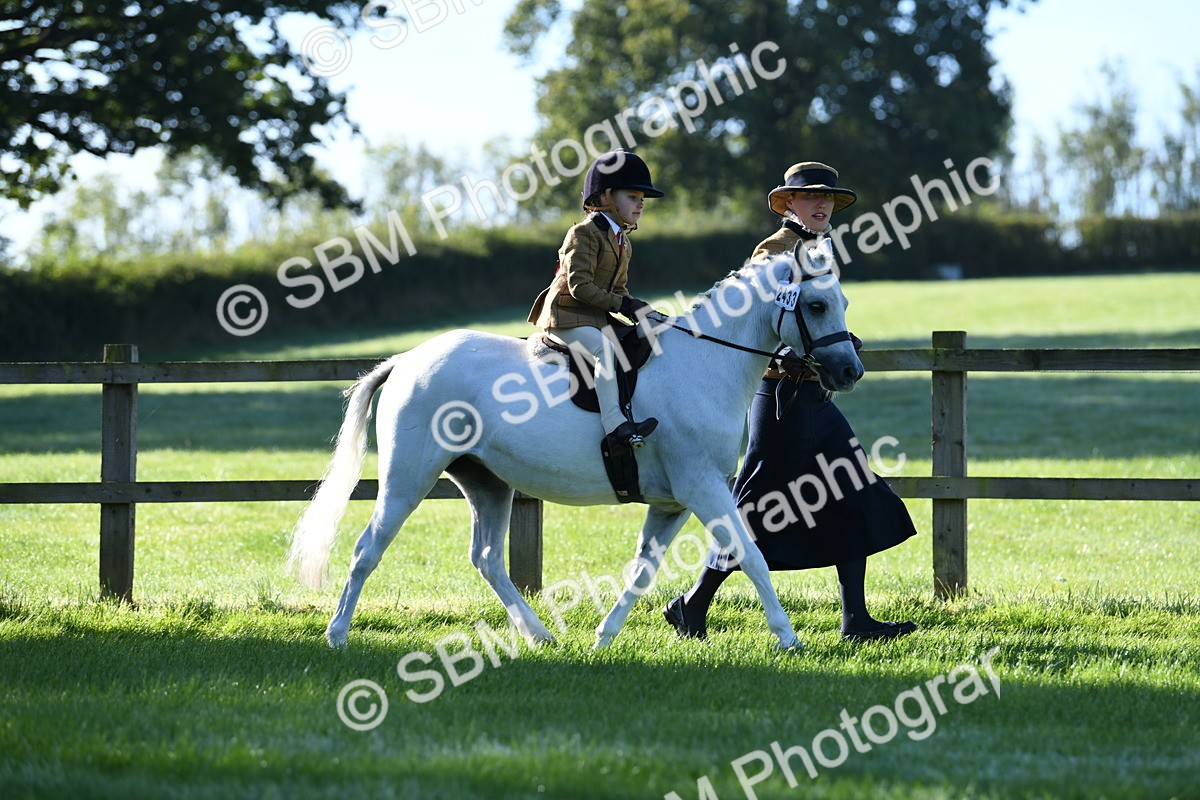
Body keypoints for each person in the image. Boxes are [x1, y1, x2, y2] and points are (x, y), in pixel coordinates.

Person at [663, 162, 919, 641]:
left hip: (813, 399)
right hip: (779, 400)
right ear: (788, 204)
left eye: (829, 199)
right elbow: (759, 329)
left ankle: (856, 619)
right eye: (811, 198)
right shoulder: (775, 254)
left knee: (851, 487)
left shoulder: (820, 252)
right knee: (759, 508)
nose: (822, 205)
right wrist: (792, 358)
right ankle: (693, 604)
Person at [528, 149, 664, 448]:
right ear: (604, 198)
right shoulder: (583, 233)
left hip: (593, 317)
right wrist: (624, 306)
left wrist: (643, 312)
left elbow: (619, 291)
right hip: (564, 316)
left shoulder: (623, 241)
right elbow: (579, 287)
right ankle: (614, 426)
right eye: (631, 196)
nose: (640, 203)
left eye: (642, 198)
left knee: (647, 336)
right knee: (606, 350)